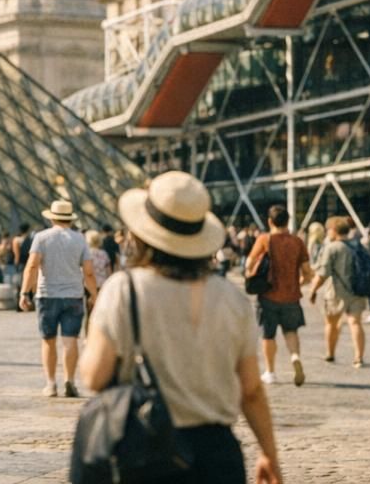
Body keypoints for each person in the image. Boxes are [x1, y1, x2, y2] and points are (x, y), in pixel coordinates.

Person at [81, 171, 282, 484]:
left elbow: (94, 376)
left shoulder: (124, 289)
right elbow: (252, 390)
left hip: (145, 448)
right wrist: (269, 453)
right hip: (217, 456)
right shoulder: (232, 299)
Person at [19, 198, 98, 398]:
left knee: (48, 340)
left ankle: (51, 384)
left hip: (47, 295)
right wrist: (94, 295)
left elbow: (32, 266)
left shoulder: (41, 237)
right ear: (70, 219)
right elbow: (88, 272)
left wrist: (24, 292)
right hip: (74, 296)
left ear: (52, 218)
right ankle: (70, 381)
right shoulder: (80, 239)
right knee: (70, 340)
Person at [246, 204, 311, 386]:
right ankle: (295, 356)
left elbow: (249, 264)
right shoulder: (297, 242)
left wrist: (251, 275)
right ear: (288, 221)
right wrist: (299, 283)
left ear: (270, 221)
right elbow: (307, 272)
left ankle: (270, 372)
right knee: (291, 331)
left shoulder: (264, 240)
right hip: (291, 296)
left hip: (268, 295)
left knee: (268, 335)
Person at [309, 216, 367, 368]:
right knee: (355, 323)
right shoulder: (358, 245)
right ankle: (358, 357)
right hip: (357, 290)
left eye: (328, 230)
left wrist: (313, 290)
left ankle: (330, 353)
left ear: (334, 230)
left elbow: (323, 273)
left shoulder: (332, 248)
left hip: (335, 292)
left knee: (331, 324)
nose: (327, 232)